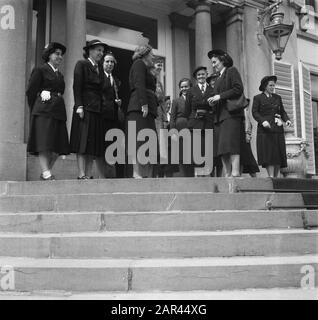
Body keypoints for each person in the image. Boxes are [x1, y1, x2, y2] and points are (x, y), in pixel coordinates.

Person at [26, 42, 70, 181]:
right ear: (49, 55)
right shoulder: (40, 70)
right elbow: (30, 92)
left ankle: (46, 172)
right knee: (45, 143)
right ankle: (46, 173)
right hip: (44, 111)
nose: (60, 56)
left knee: (58, 146)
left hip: (58, 111)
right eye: (57, 53)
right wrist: (38, 102)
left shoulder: (60, 75)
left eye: (61, 54)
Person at [70, 39, 109, 180]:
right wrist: (79, 106)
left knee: (93, 145)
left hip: (97, 110)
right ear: (90, 51)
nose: (101, 53)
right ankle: (81, 174)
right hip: (85, 109)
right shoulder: (82, 64)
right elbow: (77, 86)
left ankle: (88, 173)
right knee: (82, 142)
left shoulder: (99, 68)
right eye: (98, 50)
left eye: (102, 51)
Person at [207, 49, 245, 177]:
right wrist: (212, 101)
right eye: (212, 63)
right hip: (219, 117)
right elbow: (217, 96)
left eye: (215, 62)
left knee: (232, 144)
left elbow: (238, 88)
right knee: (222, 148)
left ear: (222, 60)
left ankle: (235, 172)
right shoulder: (217, 79)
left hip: (231, 114)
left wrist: (220, 96)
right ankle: (227, 174)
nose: (213, 65)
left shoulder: (231, 71)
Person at [126, 44, 158, 178]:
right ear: (145, 53)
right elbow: (139, 83)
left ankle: (147, 174)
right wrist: (143, 104)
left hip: (148, 110)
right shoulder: (138, 63)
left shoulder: (147, 68)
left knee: (149, 142)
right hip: (139, 108)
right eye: (152, 54)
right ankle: (136, 173)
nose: (154, 57)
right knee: (137, 141)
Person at [252, 75, 292, 178]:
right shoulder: (258, 98)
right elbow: (255, 112)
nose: (272, 87)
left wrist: (287, 120)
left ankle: (277, 177)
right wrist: (262, 121)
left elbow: (282, 111)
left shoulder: (277, 97)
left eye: (273, 85)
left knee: (278, 153)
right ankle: (271, 177)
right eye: (270, 85)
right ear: (265, 86)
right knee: (269, 153)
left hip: (277, 128)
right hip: (265, 130)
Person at [185, 66, 214, 177]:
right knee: (197, 149)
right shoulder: (191, 91)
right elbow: (187, 110)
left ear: (206, 75)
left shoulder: (212, 90)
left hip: (208, 122)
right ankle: (197, 173)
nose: (201, 76)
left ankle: (207, 173)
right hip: (195, 123)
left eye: (203, 74)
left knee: (207, 148)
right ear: (196, 78)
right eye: (199, 75)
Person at [99, 51, 123, 178]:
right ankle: (102, 176)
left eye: (112, 61)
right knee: (102, 147)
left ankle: (111, 175)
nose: (110, 64)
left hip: (113, 118)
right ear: (102, 63)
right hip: (102, 117)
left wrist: (119, 102)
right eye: (107, 61)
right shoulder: (98, 77)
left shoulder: (117, 81)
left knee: (112, 147)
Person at [170, 78, 193, 177]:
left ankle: (191, 175)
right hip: (179, 128)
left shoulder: (194, 99)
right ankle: (182, 175)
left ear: (190, 87)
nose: (184, 88)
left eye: (186, 86)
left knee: (191, 152)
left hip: (191, 127)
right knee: (181, 153)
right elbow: (172, 118)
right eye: (182, 87)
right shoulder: (176, 101)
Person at [240, 102, 260, 177]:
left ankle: (253, 177)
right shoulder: (243, 112)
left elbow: (247, 123)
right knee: (243, 159)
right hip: (241, 137)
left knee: (247, 158)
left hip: (244, 137)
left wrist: (247, 133)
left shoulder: (245, 112)